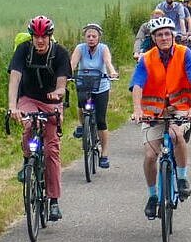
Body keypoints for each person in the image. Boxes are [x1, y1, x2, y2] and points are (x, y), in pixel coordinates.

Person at [128, 18, 191, 217]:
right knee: (150, 156)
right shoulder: (146, 58)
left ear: (173, 36)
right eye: (160, 35)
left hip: (180, 108)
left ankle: (182, 178)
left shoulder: (184, 53)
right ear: (153, 38)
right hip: (152, 111)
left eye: (167, 34)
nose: (164, 38)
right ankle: (153, 196)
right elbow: (137, 84)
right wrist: (137, 109)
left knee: (176, 134)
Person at [7, 16, 71, 222]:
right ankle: (28, 160)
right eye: (36, 36)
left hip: (52, 102)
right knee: (29, 126)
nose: (40, 41)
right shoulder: (23, 51)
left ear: (50, 36)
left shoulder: (60, 53)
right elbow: (14, 78)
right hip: (28, 98)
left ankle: (53, 201)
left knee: (52, 149)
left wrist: (58, 92)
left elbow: (62, 83)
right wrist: (12, 106)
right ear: (32, 37)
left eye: (44, 36)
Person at [70, 23, 118, 169]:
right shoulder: (80, 48)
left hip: (101, 85)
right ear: (85, 37)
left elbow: (108, 62)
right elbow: (72, 63)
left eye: (94, 36)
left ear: (99, 38)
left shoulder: (103, 49)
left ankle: (104, 154)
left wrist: (112, 72)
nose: (91, 39)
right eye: (88, 36)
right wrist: (66, 74)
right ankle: (81, 124)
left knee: (101, 120)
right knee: (80, 104)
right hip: (84, 83)